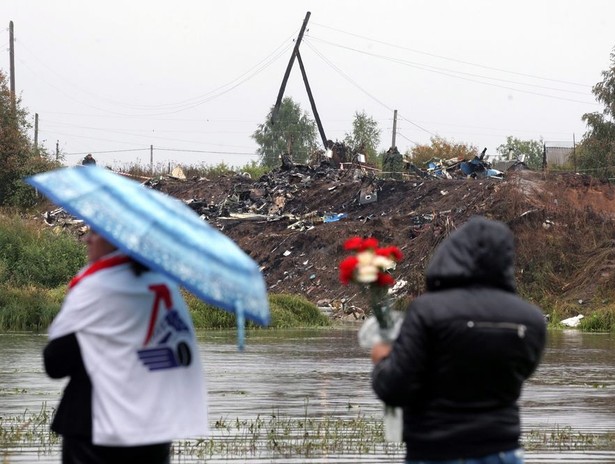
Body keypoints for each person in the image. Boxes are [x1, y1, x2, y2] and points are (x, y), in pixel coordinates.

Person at [370, 216, 546, 464]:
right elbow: (521, 373)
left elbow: (394, 388)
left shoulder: (427, 311)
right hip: (504, 452)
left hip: (435, 452)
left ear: (451, 254)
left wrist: (383, 359)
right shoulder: (531, 320)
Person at [43, 228, 208, 464]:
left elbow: (55, 363)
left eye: (97, 233)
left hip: (94, 426)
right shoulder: (164, 285)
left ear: (119, 241)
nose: (87, 239)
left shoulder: (97, 286)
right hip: (153, 428)